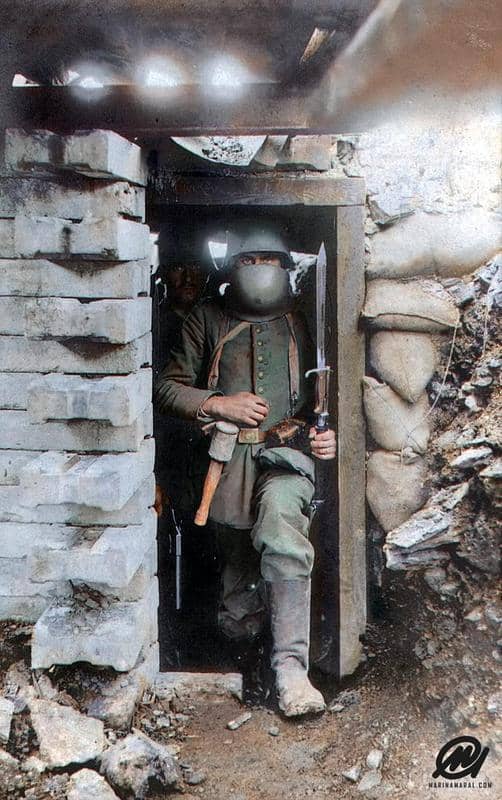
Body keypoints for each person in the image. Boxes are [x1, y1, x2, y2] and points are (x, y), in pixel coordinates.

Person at [155, 222, 336, 716]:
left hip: (286, 457)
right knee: (235, 605)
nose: (260, 270)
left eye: (269, 260)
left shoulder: (303, 323)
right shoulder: (207, 319)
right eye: (249, 261)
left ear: (285, 268)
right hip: (225, 464)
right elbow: (167, 388)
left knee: (281, 531)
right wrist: (220, 403)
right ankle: (250, 652)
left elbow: (330, 398)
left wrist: (327, 434)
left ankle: (291, 670)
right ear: (233, 269)